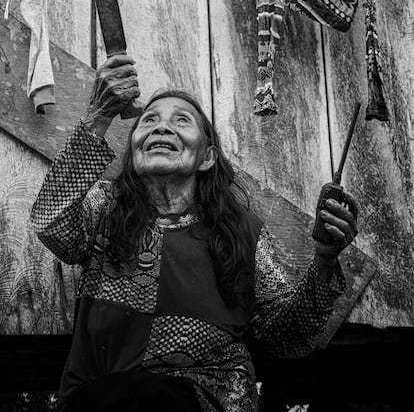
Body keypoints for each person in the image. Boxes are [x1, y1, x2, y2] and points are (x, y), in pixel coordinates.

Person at [31, 54, 358, 412]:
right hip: (96, 401)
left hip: (206, 401)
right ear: (135, 149)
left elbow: (288, 339)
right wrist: (99, 116)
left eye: (180, 121)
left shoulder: (242, 231)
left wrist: (325, 260)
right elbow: (51, 223)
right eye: (149, 120)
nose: (161, 128)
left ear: (207, 157)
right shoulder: (106, 207)